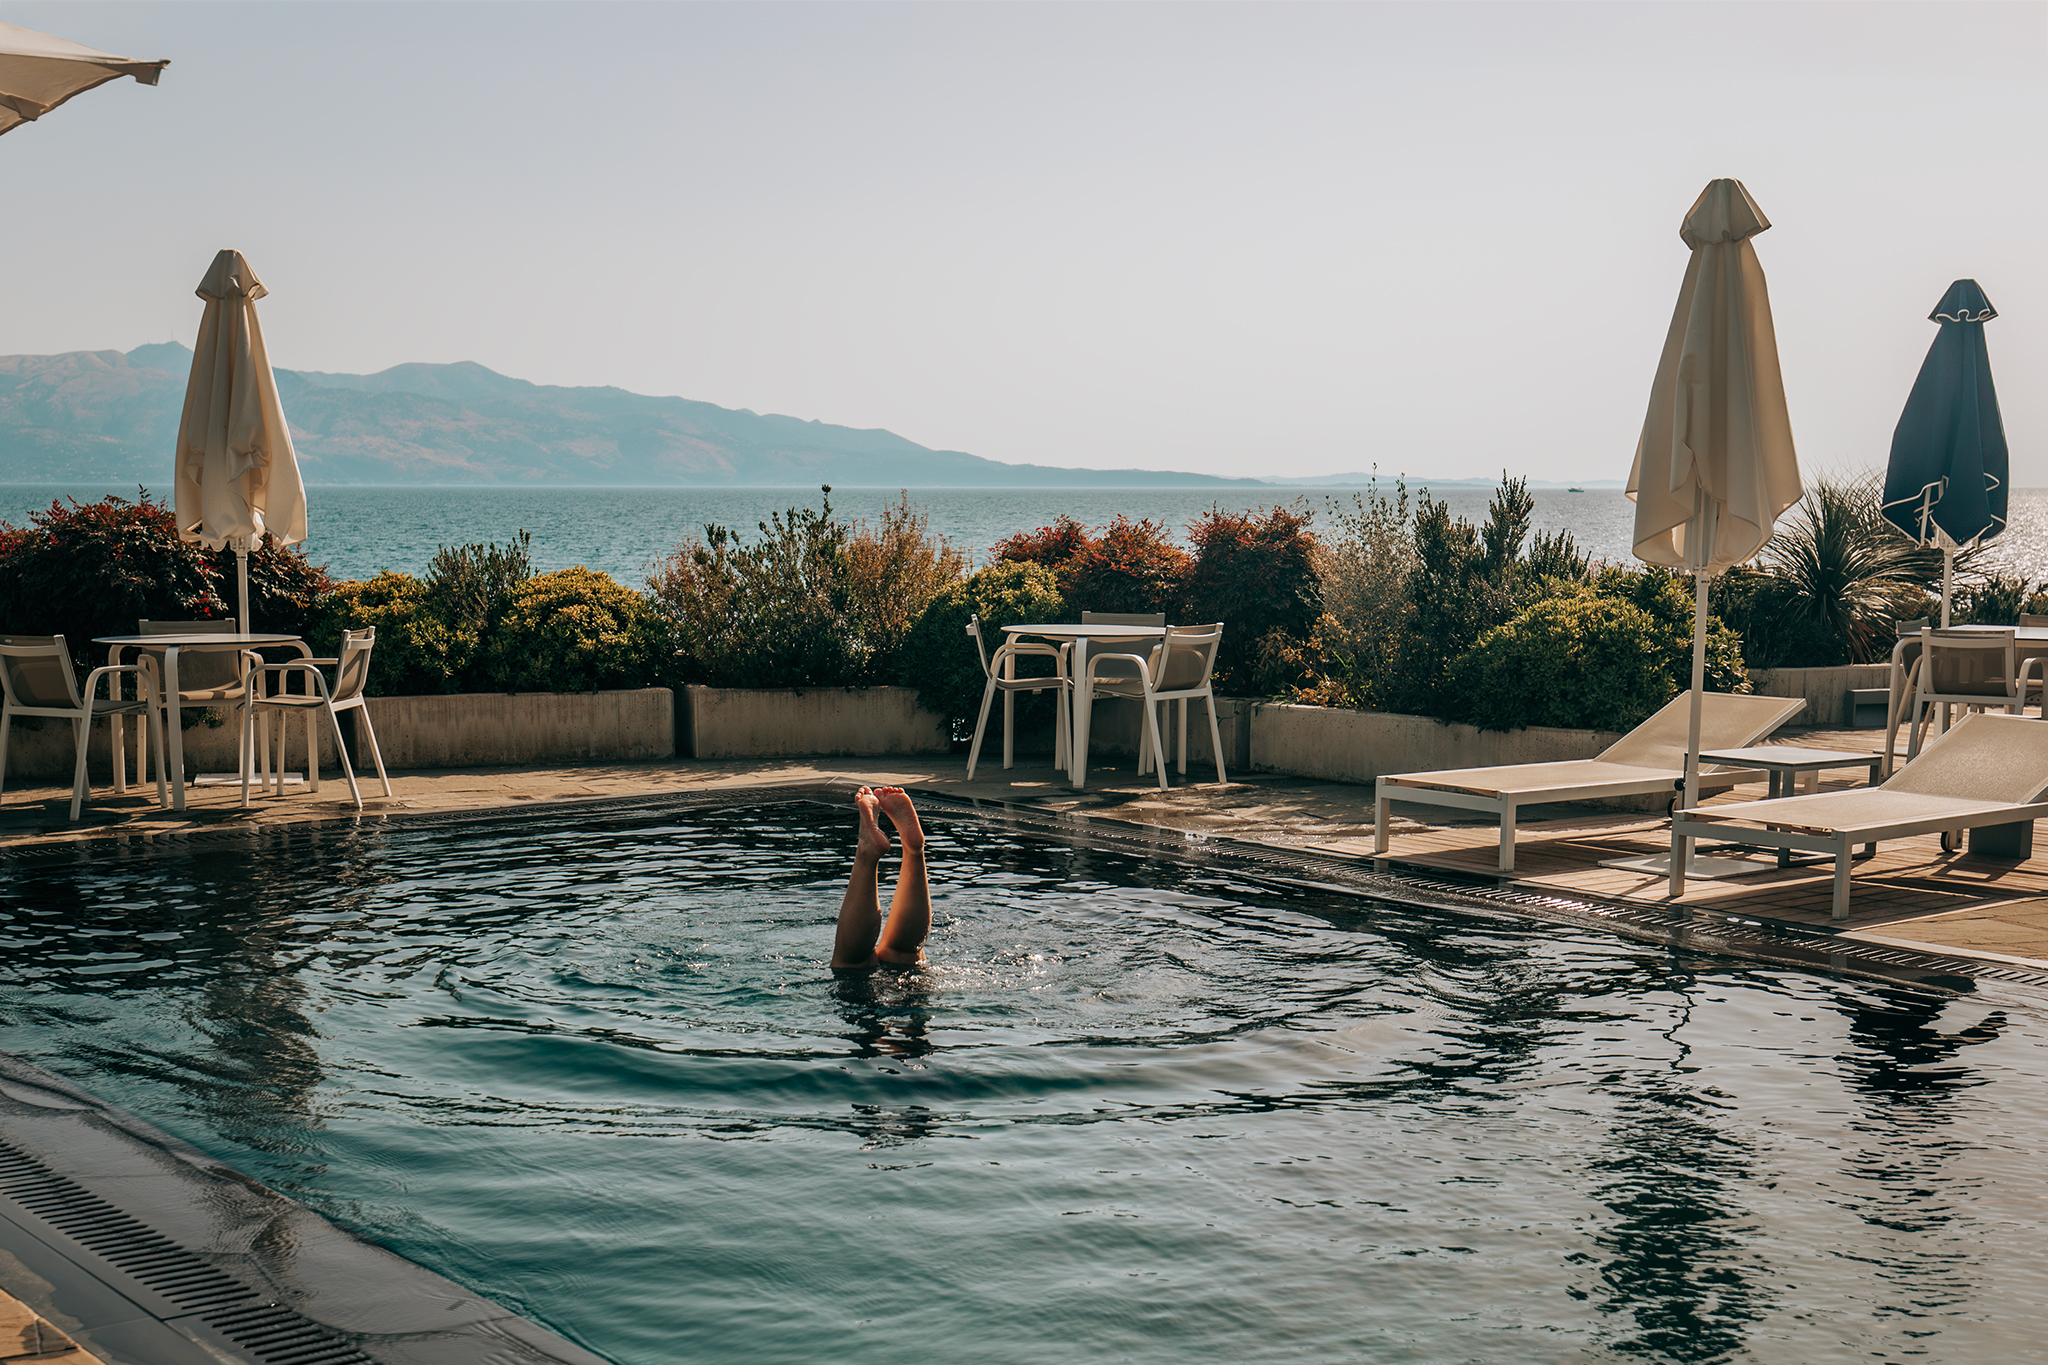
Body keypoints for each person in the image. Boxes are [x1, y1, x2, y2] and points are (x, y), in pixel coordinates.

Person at [831, 786, 931, 973]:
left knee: (851, 964)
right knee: (904, 955)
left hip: (854, 994)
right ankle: (914, 853)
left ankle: (867, 852)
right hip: (914, 989)